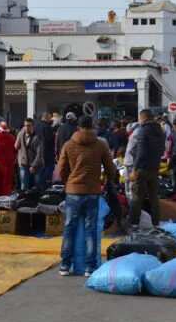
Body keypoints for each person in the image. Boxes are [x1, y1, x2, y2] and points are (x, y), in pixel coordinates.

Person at [56, 115, 117, 276]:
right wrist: (107, 180)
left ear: (78, 127)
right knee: (91, 230)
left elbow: (61, 169)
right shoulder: (100, 145)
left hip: (73, 192)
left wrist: (68, 182)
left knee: (70, 229)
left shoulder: (68, 145)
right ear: (93, 127)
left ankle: (65, 265)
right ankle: (90, 268)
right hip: (92, 192)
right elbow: (111, 169)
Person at [128, 108, 167, 227]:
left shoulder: (143, 131)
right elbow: (162, 150)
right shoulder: (160, 130)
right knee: (154, 198)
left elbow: (141, 152)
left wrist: (135, 169)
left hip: (142, 169)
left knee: (137, 197)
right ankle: (156, 223)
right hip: (155, 168)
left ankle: (134, 224)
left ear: (143, 117)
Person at [15, 118, 43, 191]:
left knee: (37, 185)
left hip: (35, 164)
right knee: (23, 185)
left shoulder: (37, 137)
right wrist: (18, 136)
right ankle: (23, 200)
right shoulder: (21, 134)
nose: (26, 127)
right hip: (24, 163)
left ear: (32, 126)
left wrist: (33, 165)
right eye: (25, 125)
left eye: (28, 126)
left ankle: (36, 200)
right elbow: (16, 147)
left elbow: (39, 153)